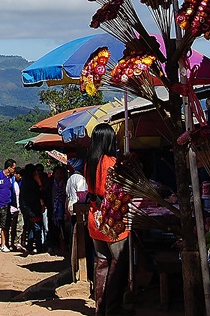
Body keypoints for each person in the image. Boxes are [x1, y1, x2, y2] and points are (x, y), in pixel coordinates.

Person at [86, 123, 133, 316]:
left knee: (102, 262)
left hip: (94, 218)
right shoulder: (111, 162)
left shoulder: (90, 162)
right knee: (118, 263)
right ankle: (113, 308)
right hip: (112, 220)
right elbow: (118, 192)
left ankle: (101, 308)